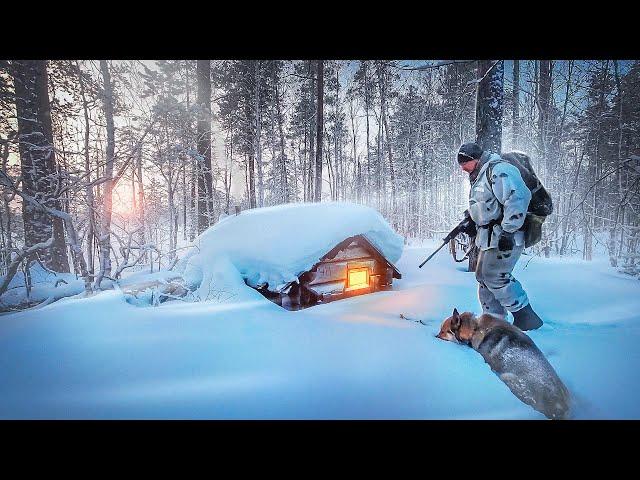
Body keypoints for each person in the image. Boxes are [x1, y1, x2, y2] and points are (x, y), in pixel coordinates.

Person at [456, 142, 543, 331]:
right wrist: (472, 220)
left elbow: (518, 198)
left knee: (496, 276)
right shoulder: (479, 175)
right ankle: (493, 320)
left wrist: (509, 231)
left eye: (464, 163)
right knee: (483, 276)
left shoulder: (499, 170)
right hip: (489, 236)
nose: (462, 168)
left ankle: (526, 317)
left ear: (474, 159)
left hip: (506, 235)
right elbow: (487, 204)